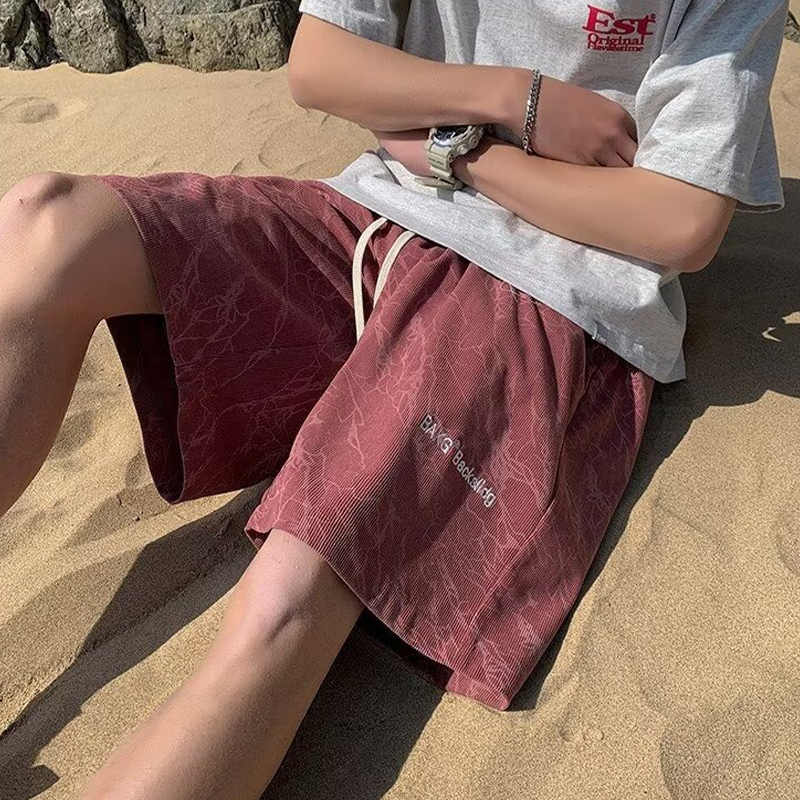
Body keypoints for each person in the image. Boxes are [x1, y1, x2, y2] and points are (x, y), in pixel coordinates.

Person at [0, 0, 788, 797]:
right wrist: (516, 98)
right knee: (46, 225)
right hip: (372, 218)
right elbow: (320, 64)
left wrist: (462, 154)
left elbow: (680, 220)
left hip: (545, 286)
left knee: (290, 589)